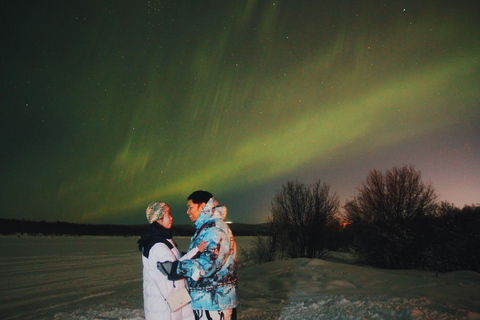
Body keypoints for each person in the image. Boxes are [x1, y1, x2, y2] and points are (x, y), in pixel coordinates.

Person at [157, 191, 238, 320]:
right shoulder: (205, 229)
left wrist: (176, 268)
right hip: (206, 301)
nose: (187, 212)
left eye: (190, 207)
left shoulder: (215, 230)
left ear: (203, 205)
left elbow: (208, 264)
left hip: (214, 304)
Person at [138, 201, 207, 320]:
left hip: (174, 300)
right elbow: (172, 270)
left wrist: (196, 251)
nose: (171, 218)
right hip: (163, 306)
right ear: (158, 219)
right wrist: (194, 269)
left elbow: (178, 261)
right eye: (167, 214)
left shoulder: (165, 240)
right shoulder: (156, 245)